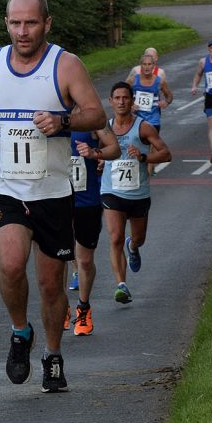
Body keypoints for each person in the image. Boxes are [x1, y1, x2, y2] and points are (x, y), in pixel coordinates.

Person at [0, 0, 107, 393]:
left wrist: (63, 121)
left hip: (51, 191)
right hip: (5, 188)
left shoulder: (65, 65)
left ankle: (52, 354)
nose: (22, 31)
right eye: (15, 23)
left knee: (51, 285)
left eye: (31, 23)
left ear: (47, 23)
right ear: (6, 23)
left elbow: (97, 113)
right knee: (12, 264)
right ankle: (20, 332)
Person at [100, 82, 171, 305]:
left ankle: (133, 246)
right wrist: (98, 159)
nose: (121, 102)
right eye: (117, 98)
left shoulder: (143, 127)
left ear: (132, 101)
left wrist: (143, 157)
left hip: (138, 193)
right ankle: (121, 285)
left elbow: (166, 154)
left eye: (125, 98)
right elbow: (93, 151)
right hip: (111, 191)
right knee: (115, 237)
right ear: (110, 101)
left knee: (138, 238)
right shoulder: (104, 128)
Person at [68, 125, 121, 335]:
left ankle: (83, 307)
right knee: (57, 256)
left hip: (86, 199)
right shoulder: (47, 111)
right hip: (55, 197)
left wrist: (95, 153)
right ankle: (61, 306)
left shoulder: (90, 118)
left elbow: (114, 148)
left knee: (85, 260)